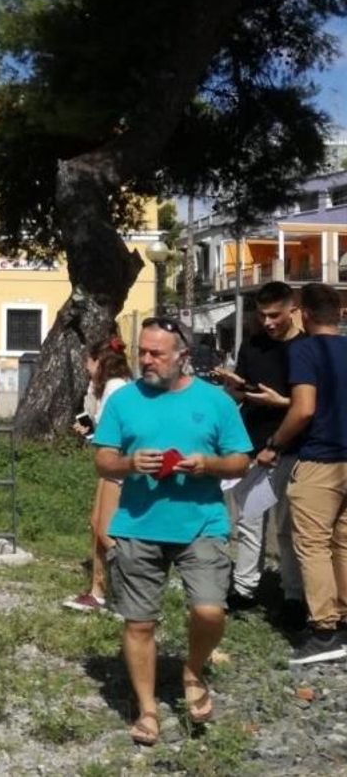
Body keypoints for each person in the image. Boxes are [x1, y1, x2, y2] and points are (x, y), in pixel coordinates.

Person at [94, 318, 248, 744]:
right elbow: (103, 460)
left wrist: (208, 464)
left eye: (156, 353)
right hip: (137, 524)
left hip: (202, 523)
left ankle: (193, 670)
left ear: (183, 357)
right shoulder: (124, 399)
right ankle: (147, 710)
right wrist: (129, 463)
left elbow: (240, 461)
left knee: (210, 610)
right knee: (139, 622)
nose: (146, 360)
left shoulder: (215, 401)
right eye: (142, 351)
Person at [257, 283, 347, 664]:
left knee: (312, 544)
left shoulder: (305, 350)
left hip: (320, 458)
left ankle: (324, 631)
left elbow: (304, 408)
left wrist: (274, 443)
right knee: (343, 543)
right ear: (339, 314)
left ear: (304, 314)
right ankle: (343, 621)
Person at [212, 281, 304, 622]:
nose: (268, 322)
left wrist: (281, 403)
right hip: (255, 448)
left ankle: (294, 595)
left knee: (287, 528)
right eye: (263, 315)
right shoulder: (252, 345)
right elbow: (242, 394)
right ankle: (245, 587)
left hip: (293, 450)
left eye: (275, 315)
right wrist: (235, 388)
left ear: (293, 309)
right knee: (250, 522)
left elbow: (310, 406)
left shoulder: (306, 348)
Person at [65, 337, 134, 614]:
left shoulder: (115, 388)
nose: (85, 367)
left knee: (107, 532)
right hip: (112, 465)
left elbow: (112, 435)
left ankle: (127, 595)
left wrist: (91, 431)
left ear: (98, 362)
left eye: (88, 361)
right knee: (97, 524)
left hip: (118, 467)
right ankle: (99, 591)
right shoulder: (114, 386)